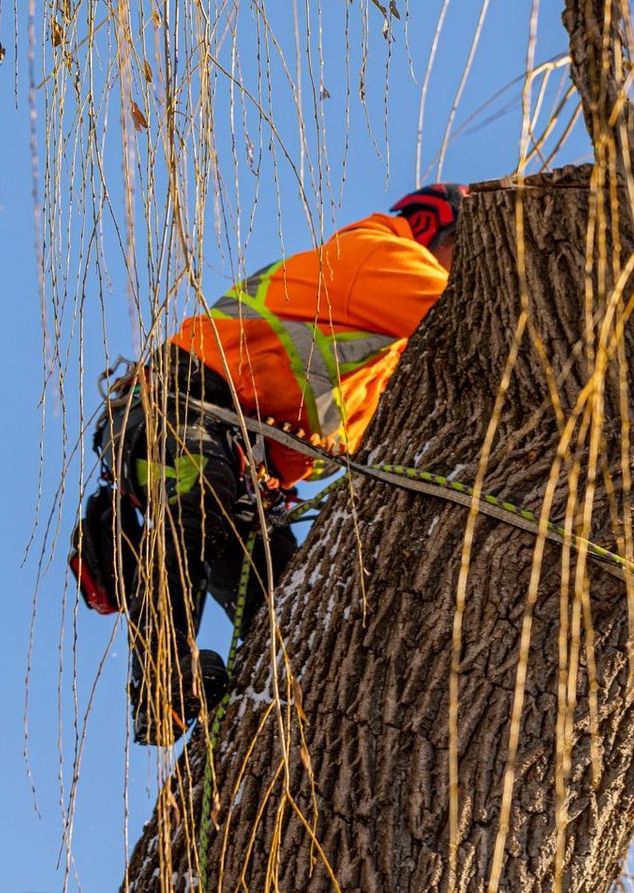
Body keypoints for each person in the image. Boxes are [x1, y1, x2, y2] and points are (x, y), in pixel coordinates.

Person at [69, 183, 467, 745]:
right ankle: (159, 675)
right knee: (199, 494)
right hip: (178, 410)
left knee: (296, 621)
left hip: (249, 480)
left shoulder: (386, 354)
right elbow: (471, 305)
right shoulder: (384, 258)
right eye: (465, 248)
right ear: (431, 229)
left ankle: (257, 738)